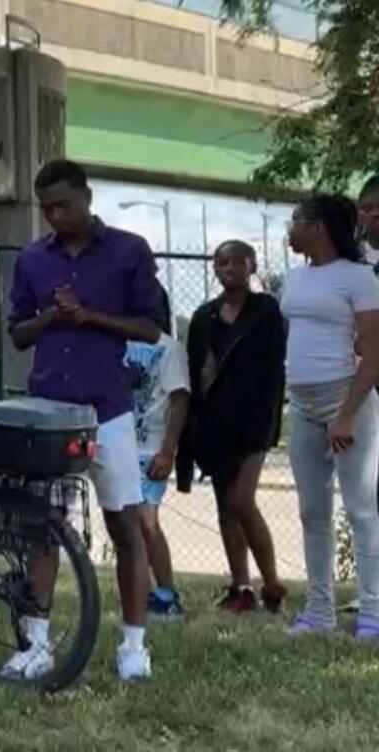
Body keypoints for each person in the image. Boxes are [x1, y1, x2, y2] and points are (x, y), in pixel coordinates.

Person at [5, 159, 160, 682]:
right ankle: (37, 644)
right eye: (46, 208)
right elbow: (18, 334)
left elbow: (150, 328)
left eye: (63, 205)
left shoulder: (128, 251)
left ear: (87, 198)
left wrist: (89, 315)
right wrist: (52, 316)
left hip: (107, 409)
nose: (55, 216)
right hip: (48, 410)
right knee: (44, 528)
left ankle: (134, 645)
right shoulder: (31, 260)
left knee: (126, 526)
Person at [280, 195, 379, 638]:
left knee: (361, 510)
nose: (289, 227)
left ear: (318, 228)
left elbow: (374, 350)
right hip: (300, 404)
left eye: (296, 221)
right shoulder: (294, 278)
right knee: (311, 512)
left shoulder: (359, 278)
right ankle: (319, 612)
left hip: (345, 401)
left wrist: (345, 414)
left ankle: (373, 615)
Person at [177, 240, 286, 613]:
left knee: (242, 500)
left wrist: (268, 418)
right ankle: (241, 587)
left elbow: (273, 372)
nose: (227, 269)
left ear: (251, 265)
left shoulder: (266, 311)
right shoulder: (204, 316)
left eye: (236, 262)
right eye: (220, 262)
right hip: (214, 424)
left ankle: (272, 584)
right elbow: (195, 372)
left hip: (254, 423)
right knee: (226, 507)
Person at [124, 286, 189, 620]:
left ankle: (166, 592)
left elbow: (180, 401)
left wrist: (168, 451)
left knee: (147, 522)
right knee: (129, 524)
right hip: (121, 445)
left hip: (151, 449)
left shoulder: (169, 349)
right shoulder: (118, 344)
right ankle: (141, 591)